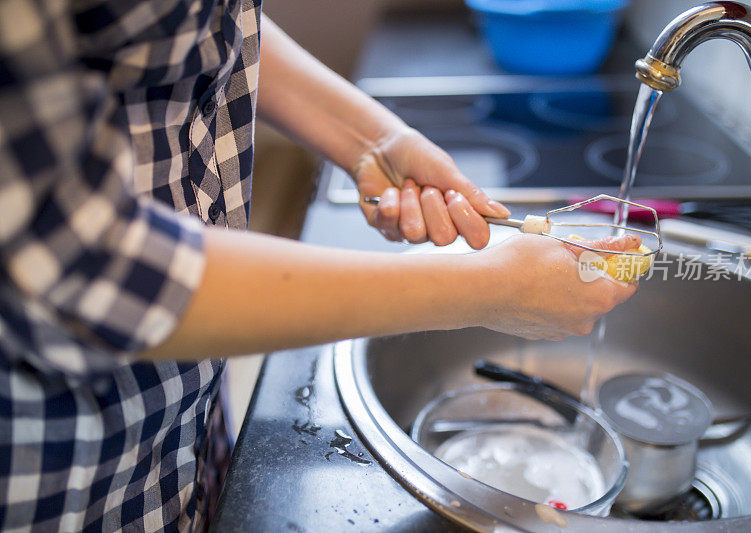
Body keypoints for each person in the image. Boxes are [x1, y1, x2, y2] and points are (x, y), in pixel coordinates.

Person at [0, 0, 639, 531]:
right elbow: (90, 268)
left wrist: (374, 141)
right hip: (65, 469)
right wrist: (488, 290)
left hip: (181, 406)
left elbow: (191, 22)